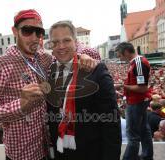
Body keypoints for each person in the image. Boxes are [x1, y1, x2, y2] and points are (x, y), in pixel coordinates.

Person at [0, 9, 99, 160]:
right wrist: (20, 104)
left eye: (39, 32)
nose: (34, 38)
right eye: (27, 31)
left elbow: (70, 47)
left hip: (47, 146)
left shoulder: (43, 58)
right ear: (15, 31)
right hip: (22, 154)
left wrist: (82, 54)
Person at [46, 20, 121, 160]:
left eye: (66, 40)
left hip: (92, 153)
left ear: (75, 42)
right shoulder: (48, 72)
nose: (61, 46)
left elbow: (111, 123)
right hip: (60, 152)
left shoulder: (96, 70)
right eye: (55, 42)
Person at [115, 42, 153, 160]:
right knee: (144, 130)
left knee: (132, 135)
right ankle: (147, 156)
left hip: (137, 101)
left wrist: (123, 85)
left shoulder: (139, 63)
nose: (119, 58)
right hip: (137, 101)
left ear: (126, 52)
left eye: (119, 55)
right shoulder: (136, 63)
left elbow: (142, 88)